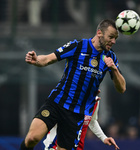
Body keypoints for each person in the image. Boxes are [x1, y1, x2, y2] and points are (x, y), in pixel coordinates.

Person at [20, 19, 126, 150]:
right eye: (110, 37)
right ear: (99, 33)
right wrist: (36, 60)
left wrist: (114, 69)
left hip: (76, 114)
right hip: (57, 102)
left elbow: (121, 88)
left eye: (115, 38)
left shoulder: (111, 57)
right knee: (32, 138)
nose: (113, 41)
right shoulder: (78, 46)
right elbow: (48, 59)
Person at [44, 98, 119, 150]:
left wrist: (104, 138)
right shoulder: (67, 97)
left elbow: (92, 121)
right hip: (55, 146)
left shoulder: (95, 101)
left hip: (77, 147)